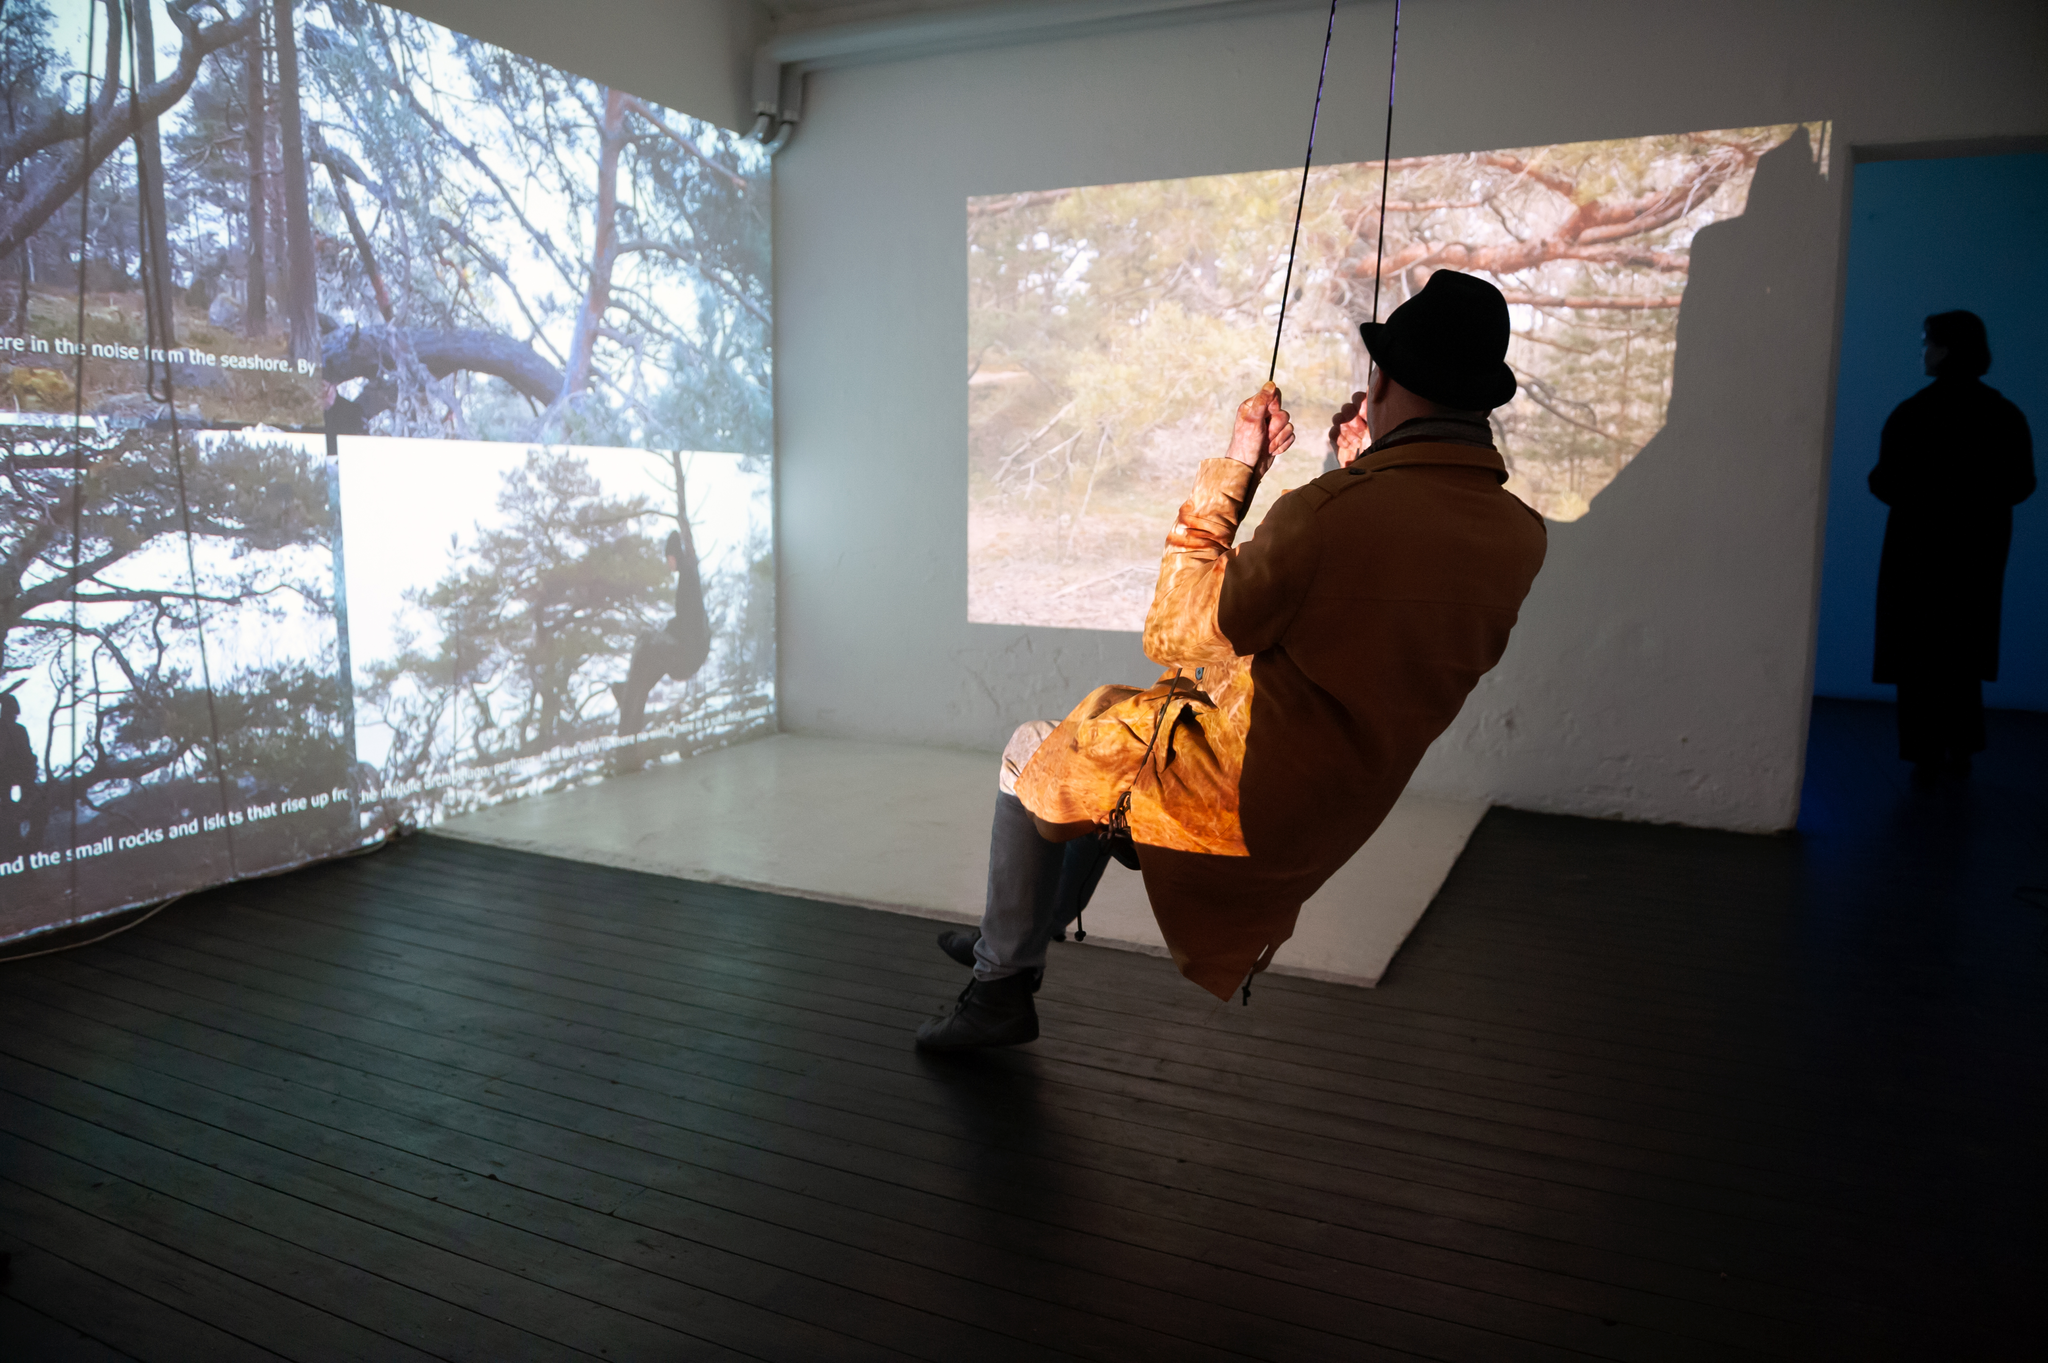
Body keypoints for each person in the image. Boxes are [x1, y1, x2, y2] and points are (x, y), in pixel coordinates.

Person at [917, 269, 1549, 1049]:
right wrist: (1357, 471)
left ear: (1383, 381)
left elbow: (1177, 629)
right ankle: (1022, 925)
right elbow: (1361, 608)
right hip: (1331, 809)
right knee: (1102, 732)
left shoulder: (1328, 517)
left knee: (1031, 752)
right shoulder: (1519, 534)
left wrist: (1238, 464)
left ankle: (1000, 983)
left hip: (1237, 804)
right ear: (1480, 401)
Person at [1869, 310, 2036, 783]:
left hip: (1916, 550)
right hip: (1978, 551)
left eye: (1928, 342)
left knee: (1919, 651)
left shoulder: (1913, 413)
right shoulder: (2003, 414)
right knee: (1962, 650)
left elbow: (1884, 482)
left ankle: (1925, 752)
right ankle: (1961, 746)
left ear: (1944, 350)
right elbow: (2021, 484)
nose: (1923, 351)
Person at [614, 521, 713, 736]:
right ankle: (631, 698)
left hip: (689, 653)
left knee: (646, 642)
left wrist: (668, 631)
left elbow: (690, 620)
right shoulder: (688, 576)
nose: (668, 564)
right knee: (650, 653)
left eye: (669, 558)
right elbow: (687, 617)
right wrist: (669, 629)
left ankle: (629, 697)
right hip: (690, 649)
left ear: (674, 556)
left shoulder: (688, 578)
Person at [1, 685, 39, 860]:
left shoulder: (19, 729)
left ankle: (18, 842)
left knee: (23, 805)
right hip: (5, 775)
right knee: (8, 808)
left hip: (21, 774)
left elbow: (26, 753)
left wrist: (32, 765)